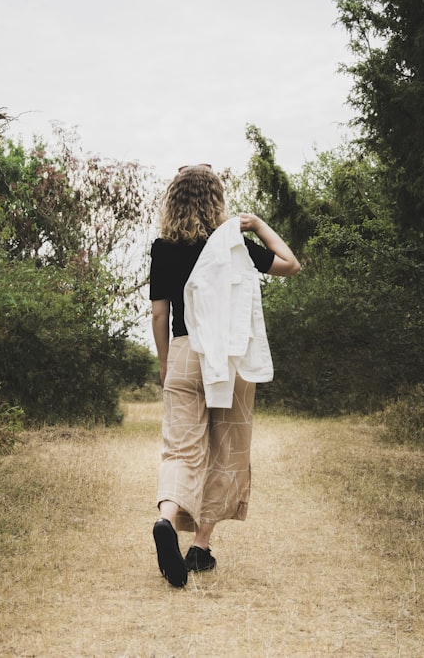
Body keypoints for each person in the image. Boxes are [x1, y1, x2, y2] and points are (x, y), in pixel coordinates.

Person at [149, 163, 300, 588]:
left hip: (182, 351)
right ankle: (200, 546)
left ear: (173, 200)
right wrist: (257, 225)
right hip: (229, 359)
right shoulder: (235, 248)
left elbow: (160, 313)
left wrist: (165, 362)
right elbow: (291, 264)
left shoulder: (162, 247)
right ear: (217, 201)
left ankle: (166, 519)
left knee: (181, 450)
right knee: (227, 449)